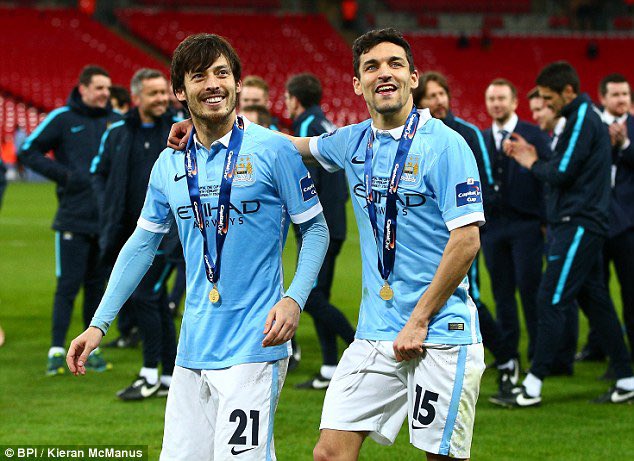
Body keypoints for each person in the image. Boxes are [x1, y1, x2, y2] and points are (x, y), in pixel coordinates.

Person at [168, 27, 485, 460]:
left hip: (441, 332)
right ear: (357, 84)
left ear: (414, 78)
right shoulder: (352, 141)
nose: (384, 74)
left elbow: (466, 241)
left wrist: (420, 319)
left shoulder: (447, 145)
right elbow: (285, 146)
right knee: (329, 452)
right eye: (371, 67)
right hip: (375, 335)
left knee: (439, 457)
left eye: (395, 64)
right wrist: (207, 120)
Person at [67, 33, 328, 460]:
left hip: (255, 344)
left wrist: (294, 299)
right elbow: (141, 245)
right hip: (193, 347)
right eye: (200, 76)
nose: (214, 84)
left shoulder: (274, 149)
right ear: (179, 91)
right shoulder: (170, 162)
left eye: (223, 73)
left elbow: (314, 231)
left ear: (238, 83)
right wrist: (99, 324)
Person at [496, 61, 634, 407]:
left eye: (547, 97)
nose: (545, 103)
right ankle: (627, 376)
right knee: (596, 302)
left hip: (577, 223)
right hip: (580, 222)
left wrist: (531, 161)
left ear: (567, 92)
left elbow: (560, 172)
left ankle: (532, 383)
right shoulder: (583, 119)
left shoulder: (581, 119)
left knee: (550, 298)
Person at [19, 65, 121, 376]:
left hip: (105, 221)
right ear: (83, 88)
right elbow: (27, 150)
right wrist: (65, 177)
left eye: (108, 88)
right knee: (67, 285)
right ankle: (55, 349)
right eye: (99, 88)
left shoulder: (115, 123)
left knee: (96, 287)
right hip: (72, 218)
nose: (105, 93)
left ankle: (93, 350)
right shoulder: (62, 118)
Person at [414, 71, 514, 381]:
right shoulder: (416, 135)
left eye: (442, 93)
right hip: (428, 237)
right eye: (432, 95)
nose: (439, 100)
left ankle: (507, 357)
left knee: (472, 295)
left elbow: (485, 180)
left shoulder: (467, 133)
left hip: (463, 230)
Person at [90, 68, 180, 400]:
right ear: (137, 97)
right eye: (154, 93)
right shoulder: (116, 133)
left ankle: (149, 373)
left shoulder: (180, 133)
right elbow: (97, 173)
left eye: (163, 93)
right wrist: (107, 207)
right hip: (129, 233)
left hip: (168, 236)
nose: (162, 99)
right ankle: (169, 375)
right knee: (152, 300)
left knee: (146, 296)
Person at [284, 73, 355, 389]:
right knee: (319, 294)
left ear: (294, 100)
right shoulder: (326, 125)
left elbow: (305, 178)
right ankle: (329, 367)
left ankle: (357, 347)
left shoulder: (303, 128)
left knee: (309, 296)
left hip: (317, 226)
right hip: (336, 219)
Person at [481, 78, 551, 400]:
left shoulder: (534, 135)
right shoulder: (482, 139)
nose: (496, 104)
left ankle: (539, 356)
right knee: (502, 294)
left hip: (526, 225)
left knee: (530, 289)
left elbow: (548, 178)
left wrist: (545, 221)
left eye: (501, 99)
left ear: (514, 102)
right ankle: (509, 357)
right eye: (491, 99)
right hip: (493, 228)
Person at [589, 73, 634, 361]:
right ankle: (601, 349)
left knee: (631, 292)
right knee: (596, 291)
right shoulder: (592, 128)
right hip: (595, 221)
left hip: (629, 224)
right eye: (615, 95)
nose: (621, 100)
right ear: (603, 98)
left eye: (625, 95)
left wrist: (627, 146)